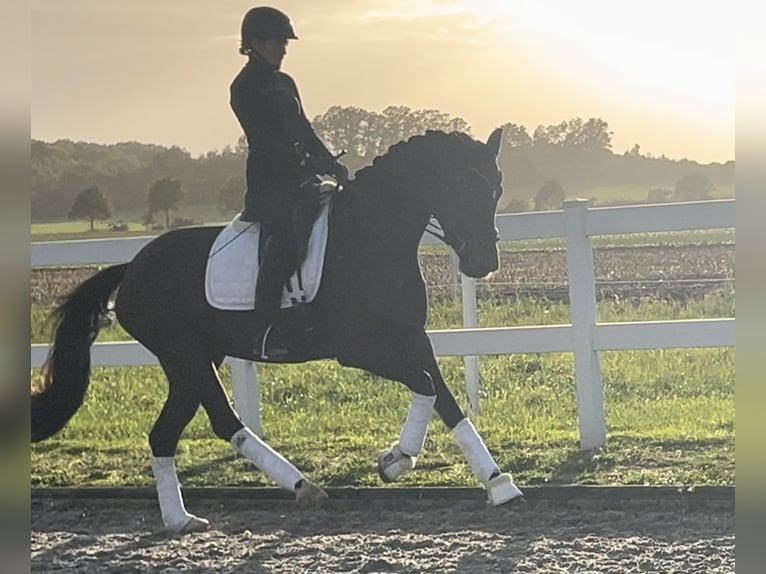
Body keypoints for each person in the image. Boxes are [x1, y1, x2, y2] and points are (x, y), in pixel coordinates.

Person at [230, 6, 348, 359]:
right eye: (277, 42)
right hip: (271, 184)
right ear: (254, 44)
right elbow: (264, 140)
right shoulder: (244, 87)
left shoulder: (286, 82)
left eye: (285, 43)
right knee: (287, 243)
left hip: (302, 176)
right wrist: (302, 162)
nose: (283, 49)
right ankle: (265, 330)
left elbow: (304, 129)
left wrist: (329, 162)